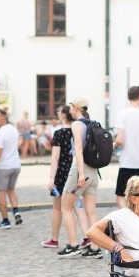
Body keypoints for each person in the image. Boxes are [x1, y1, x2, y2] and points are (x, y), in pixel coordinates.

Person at [57, 97, 102, 258]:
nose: (69, 109)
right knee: (91, 212)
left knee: (65, 207)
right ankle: (96, 248)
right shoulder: (92, 123)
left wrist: (80, 173)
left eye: (70, 106)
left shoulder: (77, 124)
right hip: (94, 170)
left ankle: (73, 245)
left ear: (75, 108)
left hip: (80, 170)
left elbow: (78, 150)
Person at [42, 105, 76, 248]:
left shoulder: (59, 133)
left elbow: (55, 158)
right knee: (78, 208)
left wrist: (51, 178)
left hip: (62, 173)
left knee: (58, 208)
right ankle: (86, 239)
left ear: (63, 116)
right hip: (75, 171)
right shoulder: (78, 131)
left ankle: (54, 239)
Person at [0, 108, 22, 229]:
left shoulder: (0, 133)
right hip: (16, 165)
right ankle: (16, 211)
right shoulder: (14, 130)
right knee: (11, 189)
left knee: (1, 192)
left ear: (3, 118)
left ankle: (5, 220)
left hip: (4, 166)